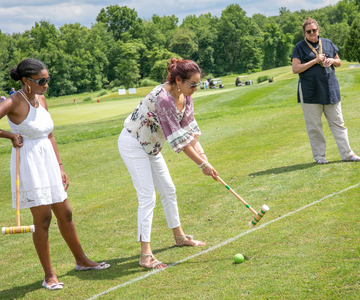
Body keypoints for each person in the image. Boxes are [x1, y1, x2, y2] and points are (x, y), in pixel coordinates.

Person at [0, 58, 110, 291]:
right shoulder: (14, 101)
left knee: (66, 213)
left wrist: (60, 166)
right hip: (29, 162)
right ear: (25, 81)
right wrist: (10, 136)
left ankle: (82, 261)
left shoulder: (41, 99)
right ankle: (49, 275)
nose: (46, 84)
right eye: (41, 80)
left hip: (48, 160)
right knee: (43, 220)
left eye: (47, 79)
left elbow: (50, 135)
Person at [118, 58, 218, 269]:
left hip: (152, 146)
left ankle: (179, 237)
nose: (195, 89)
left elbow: (190, 131)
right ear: (179, 80)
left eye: (197, 84)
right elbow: (178, 140)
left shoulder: (186, 95)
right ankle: (146, 255)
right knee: (147, 196)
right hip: (133, 143)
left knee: (169, 190)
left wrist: (204, 157)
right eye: (192, 84)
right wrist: (202, 166)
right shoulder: (163, 99)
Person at [291, 18, 360, 164]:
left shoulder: (327, 42)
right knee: (314, 126)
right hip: (310, 91)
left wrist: (331, 61)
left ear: (318, 30)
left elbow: (338, 61)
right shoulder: (299, 47)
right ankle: (320, 157)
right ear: (304, 33)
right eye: (309, 31)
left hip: (330, 88)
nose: (312, 33)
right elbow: (295, 69)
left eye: (314, 30)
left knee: (338, 122)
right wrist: (315, 61)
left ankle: (348, 154)